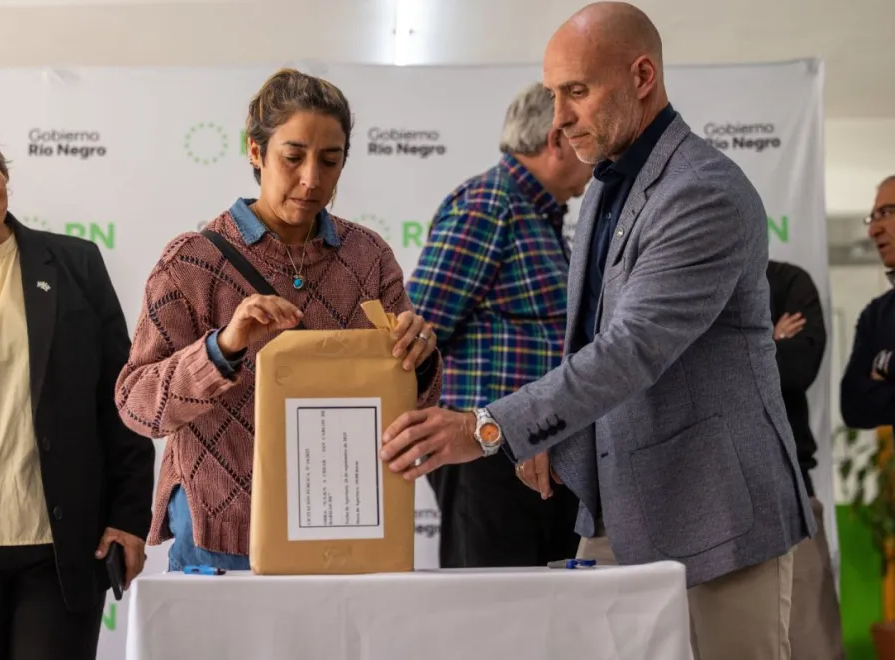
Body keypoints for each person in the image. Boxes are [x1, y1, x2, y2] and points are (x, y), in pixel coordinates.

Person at [379, 3, 814, 659]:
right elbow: (583, 340)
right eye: (555, 95)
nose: (558, 118)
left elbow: (632, 349)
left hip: (718, 515)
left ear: (641, 76)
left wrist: (489, 424)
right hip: (616, 511)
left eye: (576, 92)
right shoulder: (608, 189)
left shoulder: (702, 191)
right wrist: (556, 431)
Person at [115, 68, 443, 572]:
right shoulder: (191, 263)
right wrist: (221, 349)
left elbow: (409, 405)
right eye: (293, 157)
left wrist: (418, 361)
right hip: (221, 534)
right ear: (255, 152)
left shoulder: (368, 256)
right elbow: (137, 407)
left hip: (344, 523)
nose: (312, 180)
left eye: (330, 161)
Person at [0, 102, 155, 660]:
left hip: (60, 554)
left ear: (5, 174)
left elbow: (124, 402)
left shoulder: (75, 265)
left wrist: (129, 520)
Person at [407, 82, 590, 568]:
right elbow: (416, 335)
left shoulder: (538, 212)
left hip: (533, 454)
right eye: (580, 132)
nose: (593, 151)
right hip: (487, 461)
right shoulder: (489, 203)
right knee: (489, 622)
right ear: (555, 141)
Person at [767, 260, 845, 660]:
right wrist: (770, 343)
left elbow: (798, 369)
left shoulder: (788, 281)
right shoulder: (689, 284)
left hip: (789, 483)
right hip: (711, 493)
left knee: (812, 638)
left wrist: (743, 353)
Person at [841, 175, 895, 429]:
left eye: (885, 212)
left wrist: (887, 365)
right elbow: (853, 406)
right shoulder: (876, 315)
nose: (873, 230)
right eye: (872, 217)